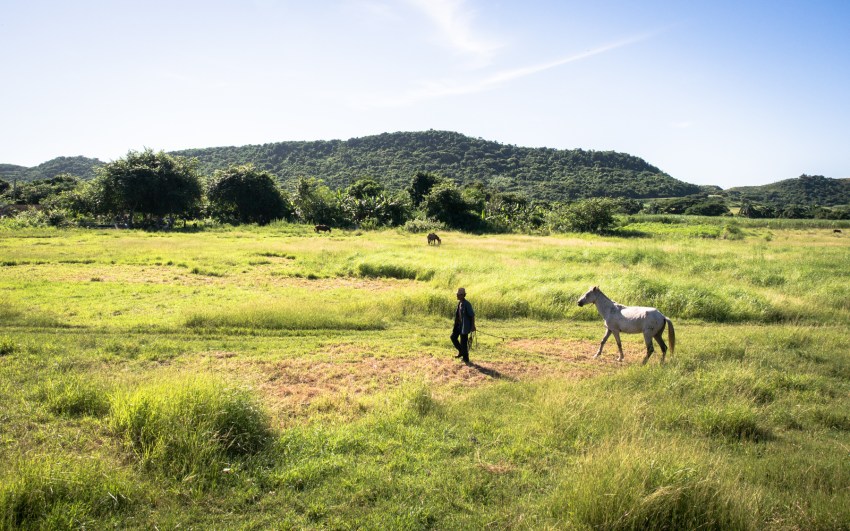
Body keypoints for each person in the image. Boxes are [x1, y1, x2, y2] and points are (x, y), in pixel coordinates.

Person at [451, 287, 476, 363]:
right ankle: (461, 351)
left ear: (462, 295)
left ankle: (466, 358)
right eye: (457, 294)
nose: (457, 296)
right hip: (459, 325)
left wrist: (472, 326)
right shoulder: (460, 303)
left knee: (463, 342)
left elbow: (472, 315)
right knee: (453, 337)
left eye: (458, 294)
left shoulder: (467, 304)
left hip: (464, 326)